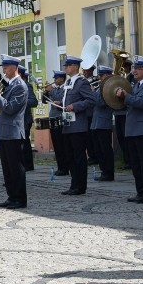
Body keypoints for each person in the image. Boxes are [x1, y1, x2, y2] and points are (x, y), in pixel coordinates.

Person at [116, 56, 143, 203]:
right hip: (133, 129)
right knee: (136, 164)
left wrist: (126, 96)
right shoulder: (135, 86)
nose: (134, 71)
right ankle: (140, 191)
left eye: (137, 68)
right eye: (134, 68)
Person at [0, 54, 28, 209]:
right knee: (7, 168)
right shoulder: (10, 84)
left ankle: (19, 199)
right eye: (3, 67)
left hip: (13, 132)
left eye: (6, 67)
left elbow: (11, 108)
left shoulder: (20, 85)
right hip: (4, 131)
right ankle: (11, 197)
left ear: (14, 68)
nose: (4, 70)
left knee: (15, 168)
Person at [59, 55, 96, 195]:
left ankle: (80, 186)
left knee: (79, 157)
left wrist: (75, 106)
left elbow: (91, 100)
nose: (65, 68)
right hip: (67, 124)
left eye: (68, 65)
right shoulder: (68, 83)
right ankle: (73, 185)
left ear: (75, 66)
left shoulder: (82, 82)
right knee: (70, 157)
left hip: (78, 126)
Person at [90, 65, 115, 182]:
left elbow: (100, 102)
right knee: (98, 149)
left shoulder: (110, 87)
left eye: (102, 75)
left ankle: (108, 172)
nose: (100, 78)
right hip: (96, 121)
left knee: (105, 149)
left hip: (104, 121)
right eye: (100, 75)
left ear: (108, 75)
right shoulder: (100, 87)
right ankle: (103, 170)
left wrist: (91, 93)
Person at [43, 70, 70, 176]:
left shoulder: (65, 88)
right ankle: (60, 166)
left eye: (56, 78)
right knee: (56, 145)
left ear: (62, 79)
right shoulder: (55, 89)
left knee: (62, 145)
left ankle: (64, 167)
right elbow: (45, 101)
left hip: (60, 119)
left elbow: (60, 99)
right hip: (53, 118)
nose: (54, 80)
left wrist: (51, 90)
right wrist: (45, 92)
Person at [18, 67, 38, 172]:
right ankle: (24, 164)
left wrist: (20, 102)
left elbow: (34, 101)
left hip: (25, 119)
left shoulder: (27, 85)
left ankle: (28, 165)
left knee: (24, 143)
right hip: (18, 119)